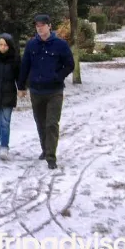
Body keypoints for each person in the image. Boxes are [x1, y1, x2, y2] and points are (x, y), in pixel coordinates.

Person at [19, 14, 75, 170]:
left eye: (42, 25)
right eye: (37, 25)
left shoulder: (60, 45)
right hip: (36, 90)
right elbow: (25, 66)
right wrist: (21, 86)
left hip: (54, 91)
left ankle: (51, 156)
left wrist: (58, 76)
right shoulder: (31, 45)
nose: (40, 27)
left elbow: (70, 65)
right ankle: (45, 148)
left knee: (51, 124)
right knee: (40, 123)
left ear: (49, 26)